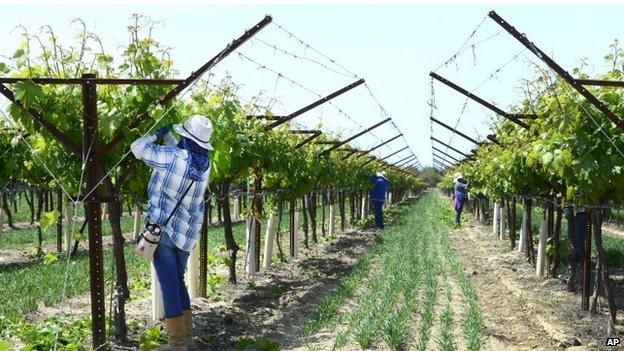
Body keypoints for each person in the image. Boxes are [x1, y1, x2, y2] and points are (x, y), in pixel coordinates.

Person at [131, 115, 213, 351]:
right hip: (186, 234)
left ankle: (177, 344)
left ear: (186, 138)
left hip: (164, 233)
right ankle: (185, 339)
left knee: (168, 286)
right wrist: (168, 137)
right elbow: (177, 153)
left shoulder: (172, 158)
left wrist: (155, 134)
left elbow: (137, 148)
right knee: (178, 283)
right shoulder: (203, 165)